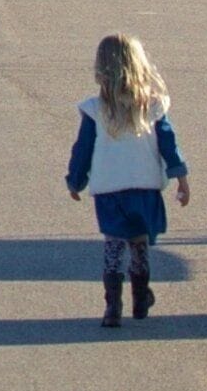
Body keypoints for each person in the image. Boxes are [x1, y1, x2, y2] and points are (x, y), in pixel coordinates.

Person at [67, 35, 193, 326]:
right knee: (139, 243)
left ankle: (112, 306)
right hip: (145, 188)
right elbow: (168, 145)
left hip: (110, 190)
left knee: (113, 243)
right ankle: (140, 297)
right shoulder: (153, 106)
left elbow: (82, 148)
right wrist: (181, 178)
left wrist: (75, 181)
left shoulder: (95, 110)